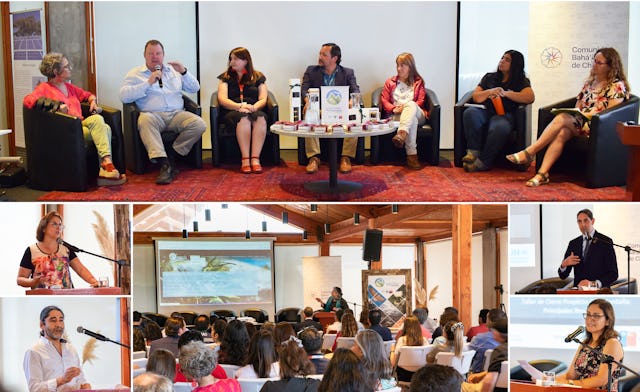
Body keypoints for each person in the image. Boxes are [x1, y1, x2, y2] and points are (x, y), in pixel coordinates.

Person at [507, 47, 630, 186]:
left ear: (610, 66)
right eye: (594, 61)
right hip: (579, 122)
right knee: (562, 132)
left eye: (599, 62)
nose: (594, 64)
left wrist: (590, 114)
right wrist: (578, 112)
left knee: (562, 118)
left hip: (598, 127)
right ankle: (542, 174)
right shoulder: (590, 83)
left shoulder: (616, 86)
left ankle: (530, 152)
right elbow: (578, 104)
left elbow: (611, 114)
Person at [23, 52, 126, 186]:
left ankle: (105, 165)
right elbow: (28, 100)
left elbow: (87, 95)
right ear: (56, 71)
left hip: (80, 125)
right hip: (67, 130)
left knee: (98, 121)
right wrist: (56, 106)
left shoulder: (69, 87)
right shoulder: (44, 88)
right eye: (66, 67)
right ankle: (105, 168)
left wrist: (93, 101)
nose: (70, 68)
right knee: (103, 126)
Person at [120, 39, 206, 185]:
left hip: (176, 114)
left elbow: (195, 88)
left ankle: (171, 155)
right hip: (153, 115)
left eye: (158, 53)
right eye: (151, 53)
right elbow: (124, 96)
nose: (155, 57)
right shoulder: (135, 74)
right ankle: (164, 162)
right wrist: (148, 83)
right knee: (144, 120)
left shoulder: (173, 71)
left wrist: (184, 72)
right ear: (144, 55)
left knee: (199, 124)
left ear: (163, 55)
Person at [462, 50, 535, 172]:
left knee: (499, 126)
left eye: (507, 60)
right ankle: (472, 153)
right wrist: (490, 91)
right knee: (470, 112)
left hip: (505, 114)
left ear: (515, 64)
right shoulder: (489, 77)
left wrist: (506, 94)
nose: (502, 61)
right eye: (502, 58)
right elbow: (476, 96)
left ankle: (484, 162)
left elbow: (529, 97)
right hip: (486, 112)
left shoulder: (521, 80)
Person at [301, 43, 360, 174]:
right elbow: (304, 90)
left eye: (324, 55)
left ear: (335, 58)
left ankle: (346, 157)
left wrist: (351, 101)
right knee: (310, 114)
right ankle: (314, 158)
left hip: (340, 111)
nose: (320, 57)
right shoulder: (311, 71)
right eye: (320, 54)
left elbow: (355, 90)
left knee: (353, 117)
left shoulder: (347, 73)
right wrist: (308, 102)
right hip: (320, 111)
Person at [217, 47, 268, 173]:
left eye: (235, 59)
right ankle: (245, 160)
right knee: (243, 119)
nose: (232, 62)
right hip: (233, 110)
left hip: (253, 108)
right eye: (231, 59)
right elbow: (222, 99)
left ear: (245, 60)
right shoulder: (226, 77)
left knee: (260, 117)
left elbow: (263, 98)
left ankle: (255, 159)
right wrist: (239, 107)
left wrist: (254, 107)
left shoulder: (258, 76)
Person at [17, 211, 99, 289]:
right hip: (42, 297)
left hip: (66, 297)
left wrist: (95, 282)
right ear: (43, 228)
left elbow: (81, 270)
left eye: (60, 225)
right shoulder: (31, 250)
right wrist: (32, 282)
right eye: (54, 224)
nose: (59, 227)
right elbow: (20, 279)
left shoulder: (66, 249)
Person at [555, 298, 624, 389]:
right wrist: (549, 379)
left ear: (607, 320)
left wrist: (570, 383)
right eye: (588, 314)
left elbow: (601, 380)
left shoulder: (612, 343)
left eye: (596, 316)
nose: (590, 319)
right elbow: (570, 375)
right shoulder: (585, 343)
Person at [380, 52, 430, 169]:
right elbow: (384, 100)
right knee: (411, 121)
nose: (399, 68)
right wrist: (393, 108)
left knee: (411, 105)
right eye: (398, 65)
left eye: (402, 65)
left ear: (410, 66)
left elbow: (420, 101)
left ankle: (401, 133)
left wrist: (405, 107)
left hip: (417, 112)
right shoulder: (390, 82)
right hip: (397, 114)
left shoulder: (418, 82)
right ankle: (412, 155)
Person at [23, 306, 91, 391]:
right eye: (53, 320)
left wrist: (84, 386)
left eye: (61, 320)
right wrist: (61, 380)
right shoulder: (33, 352)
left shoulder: (71, 349)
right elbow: (34, 388)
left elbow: (80, 379)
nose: (58, 325)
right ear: (42, 324)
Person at [558, 209, 618, 288]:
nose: (583, 224)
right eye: (579, 221)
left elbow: (613, 274)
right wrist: (563, 265)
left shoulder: (605, 241)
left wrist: (594, 284)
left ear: (592, 221)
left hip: (599, 291)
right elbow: (563, 276)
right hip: (579, 292)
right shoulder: (573, 243)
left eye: (585, 220)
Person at [462, 317, 508, 392]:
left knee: (458, 385)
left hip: (491, 388)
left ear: (497, 333)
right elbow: (501, 369)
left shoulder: (499, 351)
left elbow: (489, 382)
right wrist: (482, 375)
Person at [391, 316, 430, 382]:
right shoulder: (424, 341)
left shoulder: (401, 340)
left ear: (405, 327)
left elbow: (393, 363)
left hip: (403, 376)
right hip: (421, 376)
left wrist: (392, 350)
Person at [468, 308, 507, 374]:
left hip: (478, 374)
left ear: (489, 321)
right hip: (501, 375)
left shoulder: (479, 338)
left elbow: (469, 354)